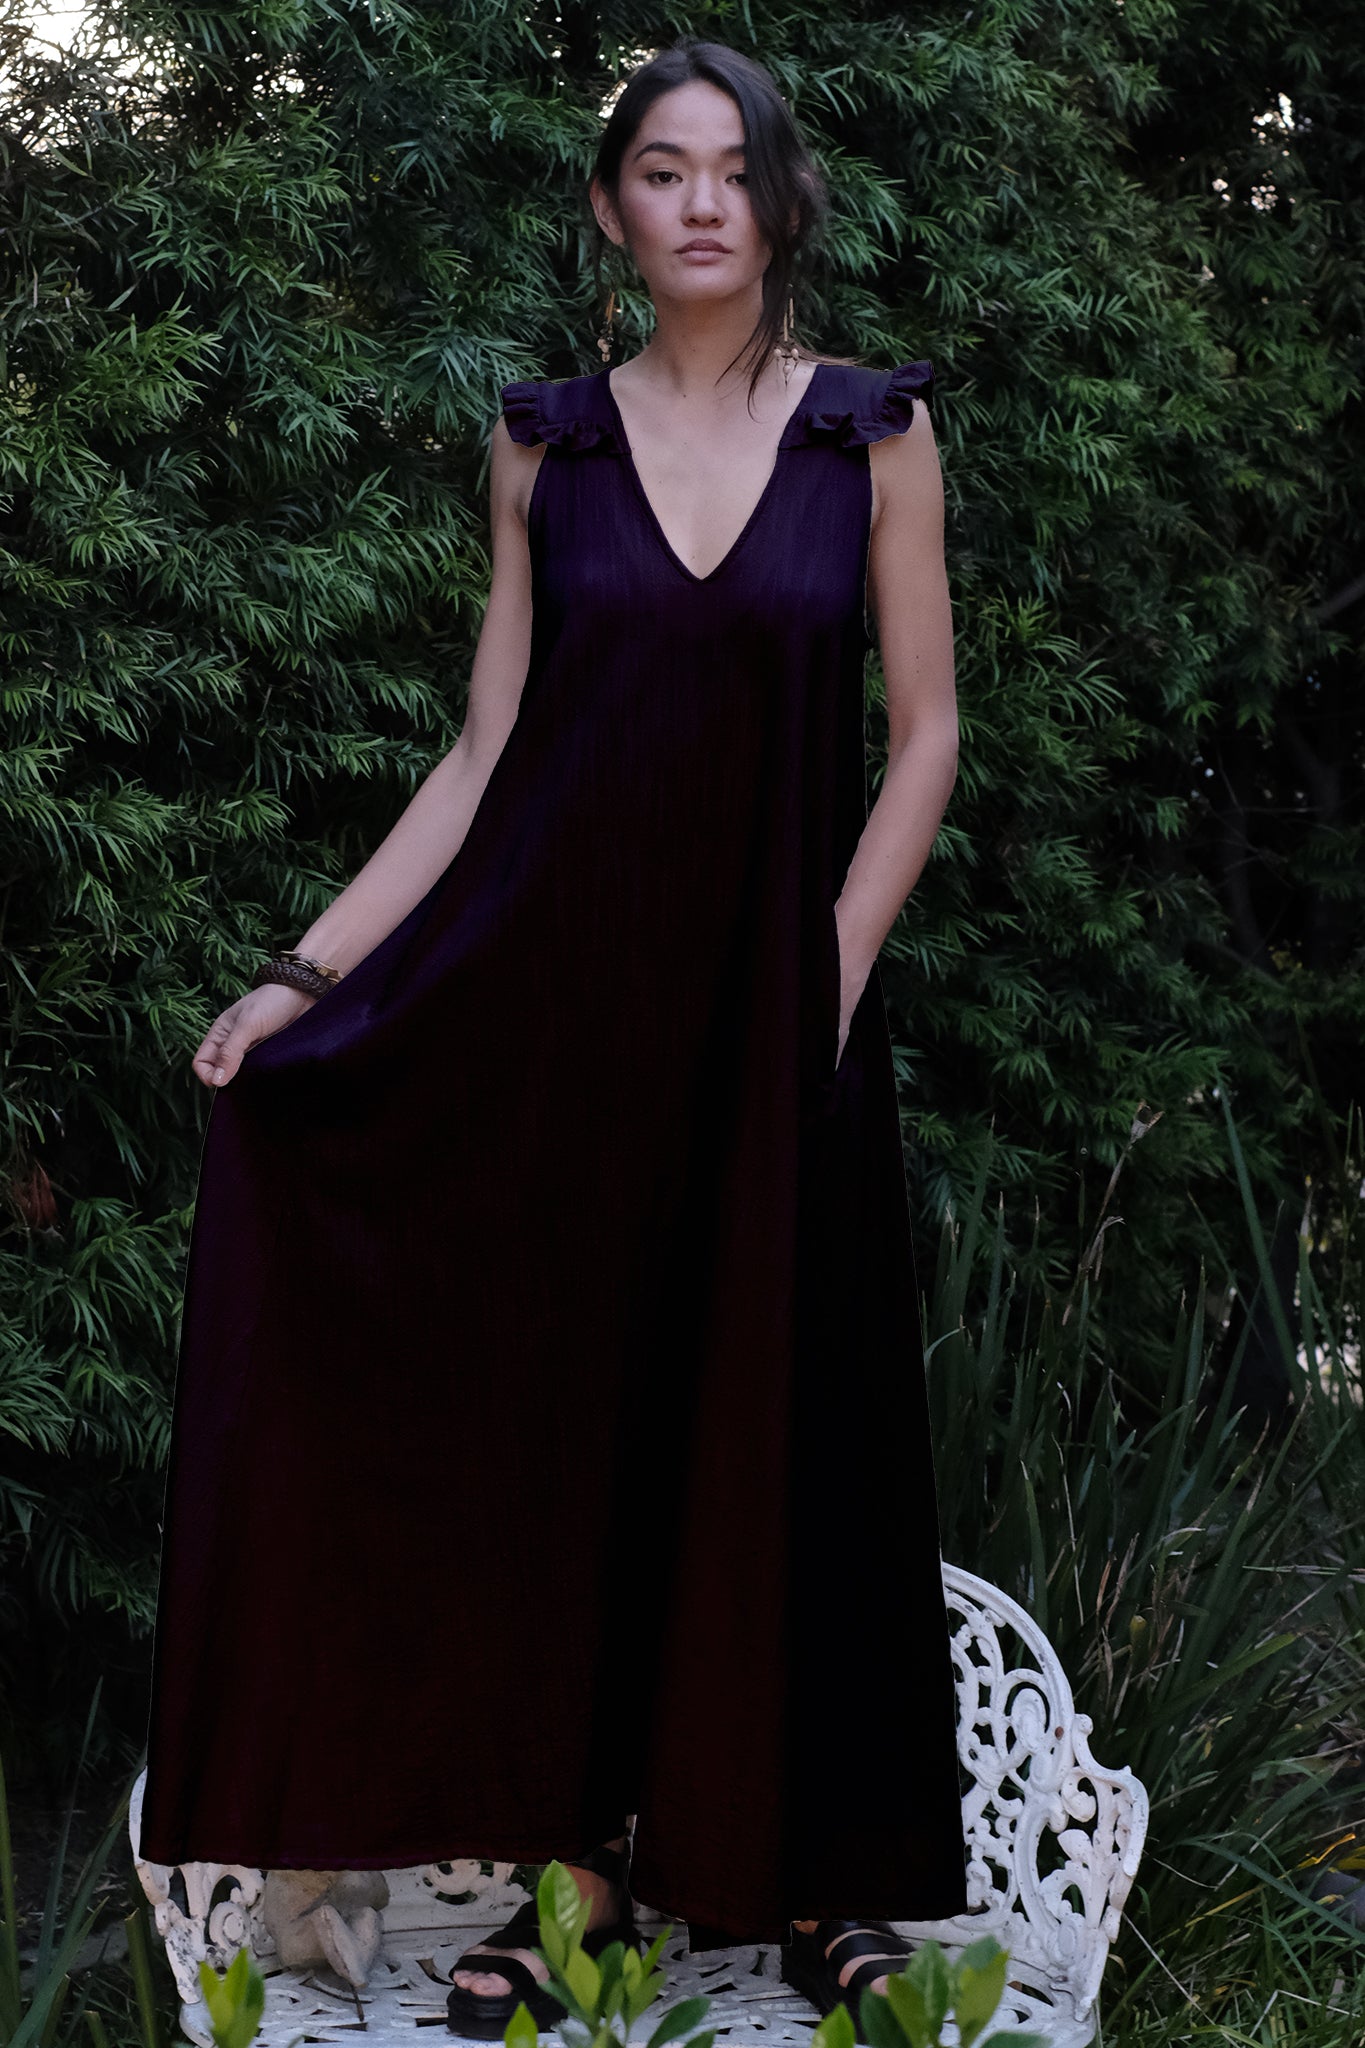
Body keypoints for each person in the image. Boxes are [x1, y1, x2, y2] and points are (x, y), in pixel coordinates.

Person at [138, 34, 968, 2044]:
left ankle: (811, 1881)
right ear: (609, 212)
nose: (698, 200)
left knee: (791, 1425)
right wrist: (309, 978)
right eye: (658, 170)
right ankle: (569, 1879)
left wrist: (833, 969)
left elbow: (927, 730)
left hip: (782, 1032)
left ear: (778, 209)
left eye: (731, 170)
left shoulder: (872, 433)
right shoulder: (539, 446)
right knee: (584, 1438)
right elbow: (485, 749)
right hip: (563, 1027)